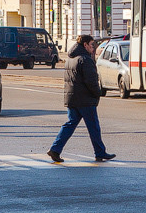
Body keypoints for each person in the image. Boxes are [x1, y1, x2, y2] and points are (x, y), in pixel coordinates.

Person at [47, 35, 116, 163]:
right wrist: (98, 93)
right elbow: (91, 81)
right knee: (93, 126)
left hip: (72, 98)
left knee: (70, 124)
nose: (93, 48)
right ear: (85, 45)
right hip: (85, 100)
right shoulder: (85, 60)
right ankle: (100, 152)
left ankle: (55, 149)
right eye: (91, 45)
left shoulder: (70, 59)